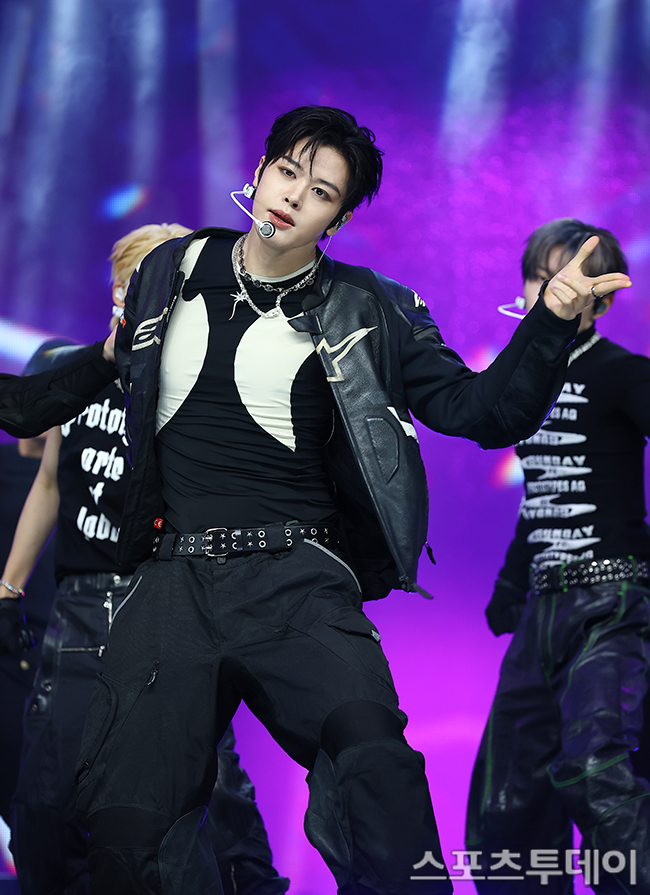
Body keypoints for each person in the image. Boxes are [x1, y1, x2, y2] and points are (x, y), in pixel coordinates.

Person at [0, 107, 631, 895]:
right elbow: (58, 393)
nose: (295, 196)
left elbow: (482, 412)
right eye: (288, 171)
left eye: (323, 191)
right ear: (261, 170)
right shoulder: (172, 268)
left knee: (382, 788)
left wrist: (550, 322)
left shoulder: (370, 306)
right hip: (170, 588)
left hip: (297, 584)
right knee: (128, 838)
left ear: (338, 219)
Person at [0, 225, 289, 895]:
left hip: (166, 602)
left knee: (207, 797)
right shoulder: (69, 366)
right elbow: (50, 482)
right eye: (134, 282)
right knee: (44, 806)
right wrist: (9, 588)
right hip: (79, 611)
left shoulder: (203, 381)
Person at [466, 219, 650, 893]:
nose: (558, 289)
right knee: (505, 803)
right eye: (542, 277)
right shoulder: (523, 380)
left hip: (612, 603)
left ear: (605, 297)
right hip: (542, 610)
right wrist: (510, 583)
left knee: (596, 768)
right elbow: (542, 493)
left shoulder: (623, 373)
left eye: (576, 279)